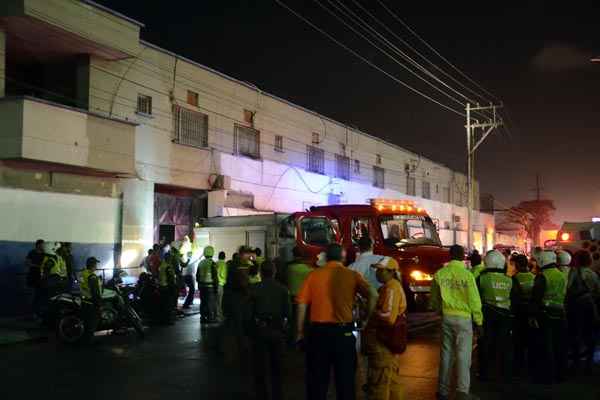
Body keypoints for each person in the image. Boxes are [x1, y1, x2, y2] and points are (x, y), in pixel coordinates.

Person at [296, 243, 376, 400]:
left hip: (318, 334)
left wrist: (299, 332)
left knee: (317, 382)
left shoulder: (313, 275)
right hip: (343, 334)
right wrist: (366, 319)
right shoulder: (352, 275)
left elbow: (302, 304)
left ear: (326, 257)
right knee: (345, 383)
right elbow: (373, 295)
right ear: (343, 257)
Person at [430, 245, 482, 400]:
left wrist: (439, 310)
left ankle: (443, 390)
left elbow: (434, 299)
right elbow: (474, 300)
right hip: (464, 319)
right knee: (463, 355)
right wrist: (479, 321)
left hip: (447, 317)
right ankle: (462, 391)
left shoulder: (440, 274)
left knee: (446, 354)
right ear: (463, 257)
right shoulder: (467, 276)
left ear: (450, 256)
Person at [364, 257, 407, 400]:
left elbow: (389, 316)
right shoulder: (389, 287)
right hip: (387, 341)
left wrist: (372, 311)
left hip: (383, 341)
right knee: (391, 379)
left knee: (379, 381)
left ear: (391, 272)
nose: (377, 273)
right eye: (377, 270)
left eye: (381, 270)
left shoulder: (391, 287)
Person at [249, 260, 291, 400]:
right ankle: (277, 394)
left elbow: (248, 313)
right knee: (277, 366)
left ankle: (262, 395)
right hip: (277, 330)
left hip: (259, 330)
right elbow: (288, 314)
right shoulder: (283, 289)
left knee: (259, 366)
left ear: (261, 273)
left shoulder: (254, 288)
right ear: (274, 272)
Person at [476, 250, 517, 382]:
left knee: (485, 343)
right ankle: (505, 373)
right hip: (505, 316)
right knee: (505, 344)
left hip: (487, 315)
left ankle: (484, 373)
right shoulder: (509, 280)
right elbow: (515, 299)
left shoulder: (481, 278)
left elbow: (475, 299)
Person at [530, 250, 568, 384]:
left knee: (546, 345)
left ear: (541, 261)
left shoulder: (542, 276)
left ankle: (547, 376)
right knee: (560, 345)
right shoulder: (561, 275)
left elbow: (536, 298)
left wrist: (532, 316)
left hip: (545, 314)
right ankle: (561, 374)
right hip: (561, 313)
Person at [566, 250, 600, 374]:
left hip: (576, 306)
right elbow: (597, 291)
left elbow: (567, 288)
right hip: (590, 306)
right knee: (589, 335)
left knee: (575, 334)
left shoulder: (574, 272)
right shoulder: (593, 274)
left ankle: (575, 364)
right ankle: (588, 364)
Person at [511, 254, 535, 378]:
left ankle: (518, 367)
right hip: (531, 313)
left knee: (519, 341)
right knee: (530, 340)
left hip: (519, 314)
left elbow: (513, 298)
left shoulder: (515, 278)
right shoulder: (534, 277)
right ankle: (531, 365)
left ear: (518, 265)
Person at [286, 247, 313, 344]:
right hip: (305, 299)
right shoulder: (309, 270)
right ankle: (304, 340)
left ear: (293, 255)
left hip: (292, 298)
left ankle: (293, 340)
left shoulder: (288, 268)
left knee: (293, 319)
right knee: (305, 320)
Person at [80, 257, 102, 341]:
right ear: (93, 265)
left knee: (87, 321)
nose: (96, 266)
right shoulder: (92, 276)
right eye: (96, 264)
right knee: (93, 322)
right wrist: (98, 303)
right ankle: (89, 340)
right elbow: (95, 291)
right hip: (91, 301)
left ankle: (86, 338)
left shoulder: (83, 273)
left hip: (84, 300)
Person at [197, 246, 218, 323]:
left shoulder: (200, 263)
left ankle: (202, 318)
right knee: (210, 303)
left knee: (203, 302)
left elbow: (197, 275)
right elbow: (215, 276)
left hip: (202, 286)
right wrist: (216, 287)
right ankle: (210, 318)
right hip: (210, 286)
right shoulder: (212, 263)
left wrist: (199, 284)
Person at [158, 245, 179, 324]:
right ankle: (168, 320)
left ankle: (163, 319)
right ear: (168, 258)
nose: (171, 260)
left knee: (163, 304)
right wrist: (173, 287)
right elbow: (170, 278)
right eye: (170, 258)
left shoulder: (161, 266)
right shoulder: (168, 267)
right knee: (168, 304)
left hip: (161, 286)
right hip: (166, 287)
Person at [25, 239, 45, 317]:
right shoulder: (32, 253)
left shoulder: (44, 254)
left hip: (42, 278)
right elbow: (27, 263)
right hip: (33, 276)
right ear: (38, 245)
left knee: (40, 296)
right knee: (33, 296)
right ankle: (32, 313)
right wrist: (37, 266)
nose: (43, 246)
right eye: (42, 244)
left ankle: (38, 313)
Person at [216, 251, 228, 321]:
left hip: (214, 284)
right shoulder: (224, 264)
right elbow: (223, 275)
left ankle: (215, 315)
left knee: (215, 301)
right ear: (224, 257)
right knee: (220, 302)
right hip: (221, 284)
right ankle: (219, 317)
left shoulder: (215, 263)